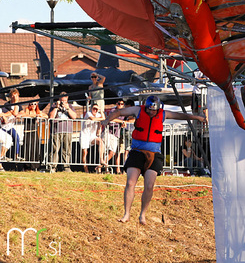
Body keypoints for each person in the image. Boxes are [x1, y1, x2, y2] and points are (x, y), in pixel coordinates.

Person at [102, 95, 205, 224]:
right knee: (130, 183)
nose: (151, 112)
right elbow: (119, 112)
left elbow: (181, 115)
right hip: (137, 152)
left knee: (149, 186)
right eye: (149, 110)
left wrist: (197, 117)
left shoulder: (163, 114)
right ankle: (126, 214)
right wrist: (107, 120)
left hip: (154, 153)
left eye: (154, 110)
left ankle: (142, 215)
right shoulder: (137, 110)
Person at [48, 92, 77, 172]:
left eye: (65, 100)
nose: (63, 102)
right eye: (62, 100)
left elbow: (74, 117)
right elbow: (51, 116)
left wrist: (67, 108)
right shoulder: (54, 105)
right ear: (59, 99)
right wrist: (56, 107)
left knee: (67, 150)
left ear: (67, 99)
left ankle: (66, 167)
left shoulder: (70, 106)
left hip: (67, 131)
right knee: (54, 149)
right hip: (56, 131)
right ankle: (53, 166)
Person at [81, 104, 107, 173]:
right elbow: (93, 118)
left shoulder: (98, 115)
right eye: (94, 108)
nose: (95, 110)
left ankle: (101, 159)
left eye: (96, 109)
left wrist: (101, 110)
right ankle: (86, 170)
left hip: (92, 136)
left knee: (100, 142)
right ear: (91, 109)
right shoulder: (88, 113)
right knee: (85, 152)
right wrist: (101, 118)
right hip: (85, 135)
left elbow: (103, 118)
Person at [104, 100, 127, 174]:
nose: (120, 105)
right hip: (109, 133)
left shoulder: (124, 112)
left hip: (117, 134)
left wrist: (124, 123)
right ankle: (103, 167)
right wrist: (121, 122)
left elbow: (126, 121)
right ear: (116, 104)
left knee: (116, 152)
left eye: (122, 104)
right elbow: (111, 118)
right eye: (119, 103)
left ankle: (117, 170)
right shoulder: (113, 110)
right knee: (109, 152)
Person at [1, 89, 22, 160]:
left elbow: (22, 113)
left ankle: (16, 155)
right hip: (4, 127)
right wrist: (13, 113)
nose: (15, 97)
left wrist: (18, 114)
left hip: (10, 126)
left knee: (16, 137)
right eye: (13, 95)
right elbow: (6, 113)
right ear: (10, 96)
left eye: (16, 95)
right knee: (6, 140)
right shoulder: (7, 104)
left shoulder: (18, 105)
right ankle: (2, 156)